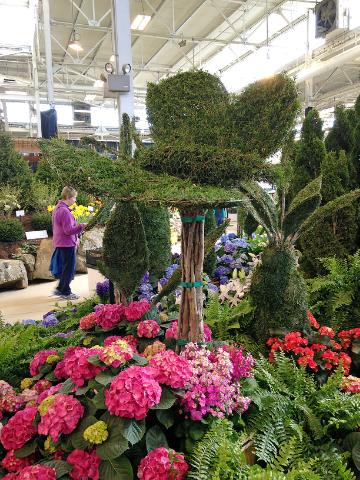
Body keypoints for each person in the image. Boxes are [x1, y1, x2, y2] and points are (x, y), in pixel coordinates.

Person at [51, 186, 86, 300]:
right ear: (69, 197)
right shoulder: (64, 211)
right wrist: (82, 226)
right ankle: (66, 292)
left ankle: (60, 289)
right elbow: (68, 230)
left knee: (65, 267)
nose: (75, 200)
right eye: (75, 198)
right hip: (66, 243)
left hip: (61, 243)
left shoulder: (58, 208)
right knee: (69, 269)